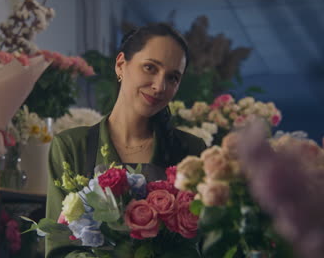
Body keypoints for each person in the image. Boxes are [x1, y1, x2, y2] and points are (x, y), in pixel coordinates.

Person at [45, 23, 206, 257]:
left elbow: (198, 245)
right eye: (150, 68)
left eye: (172, 78)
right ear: (121, 64)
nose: (159, 86)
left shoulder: (190, 151)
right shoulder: (71, 146)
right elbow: (59, 247)